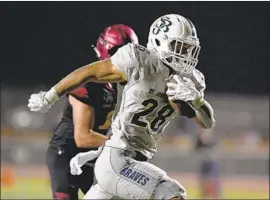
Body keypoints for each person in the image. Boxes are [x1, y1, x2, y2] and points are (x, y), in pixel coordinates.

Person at [28, 14, 215, 200]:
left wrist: (198, 101)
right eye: (180, 47)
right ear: (160, 42)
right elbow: (89, 72)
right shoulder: (139, 61)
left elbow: (206, 122)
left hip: (132, 160)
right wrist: (50, 96)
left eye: (190, 49)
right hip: (118, 160)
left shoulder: (188, 81)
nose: (185, 54)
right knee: (172, 194)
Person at [45, 24, 139, 200]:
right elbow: (82, 137)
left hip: (93, 155)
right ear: (107, 51)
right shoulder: (89, 84)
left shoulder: (129, 85)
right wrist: (123, 145)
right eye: (119, 52)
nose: (125, 58)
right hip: (67, 154)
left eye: (130, 52)